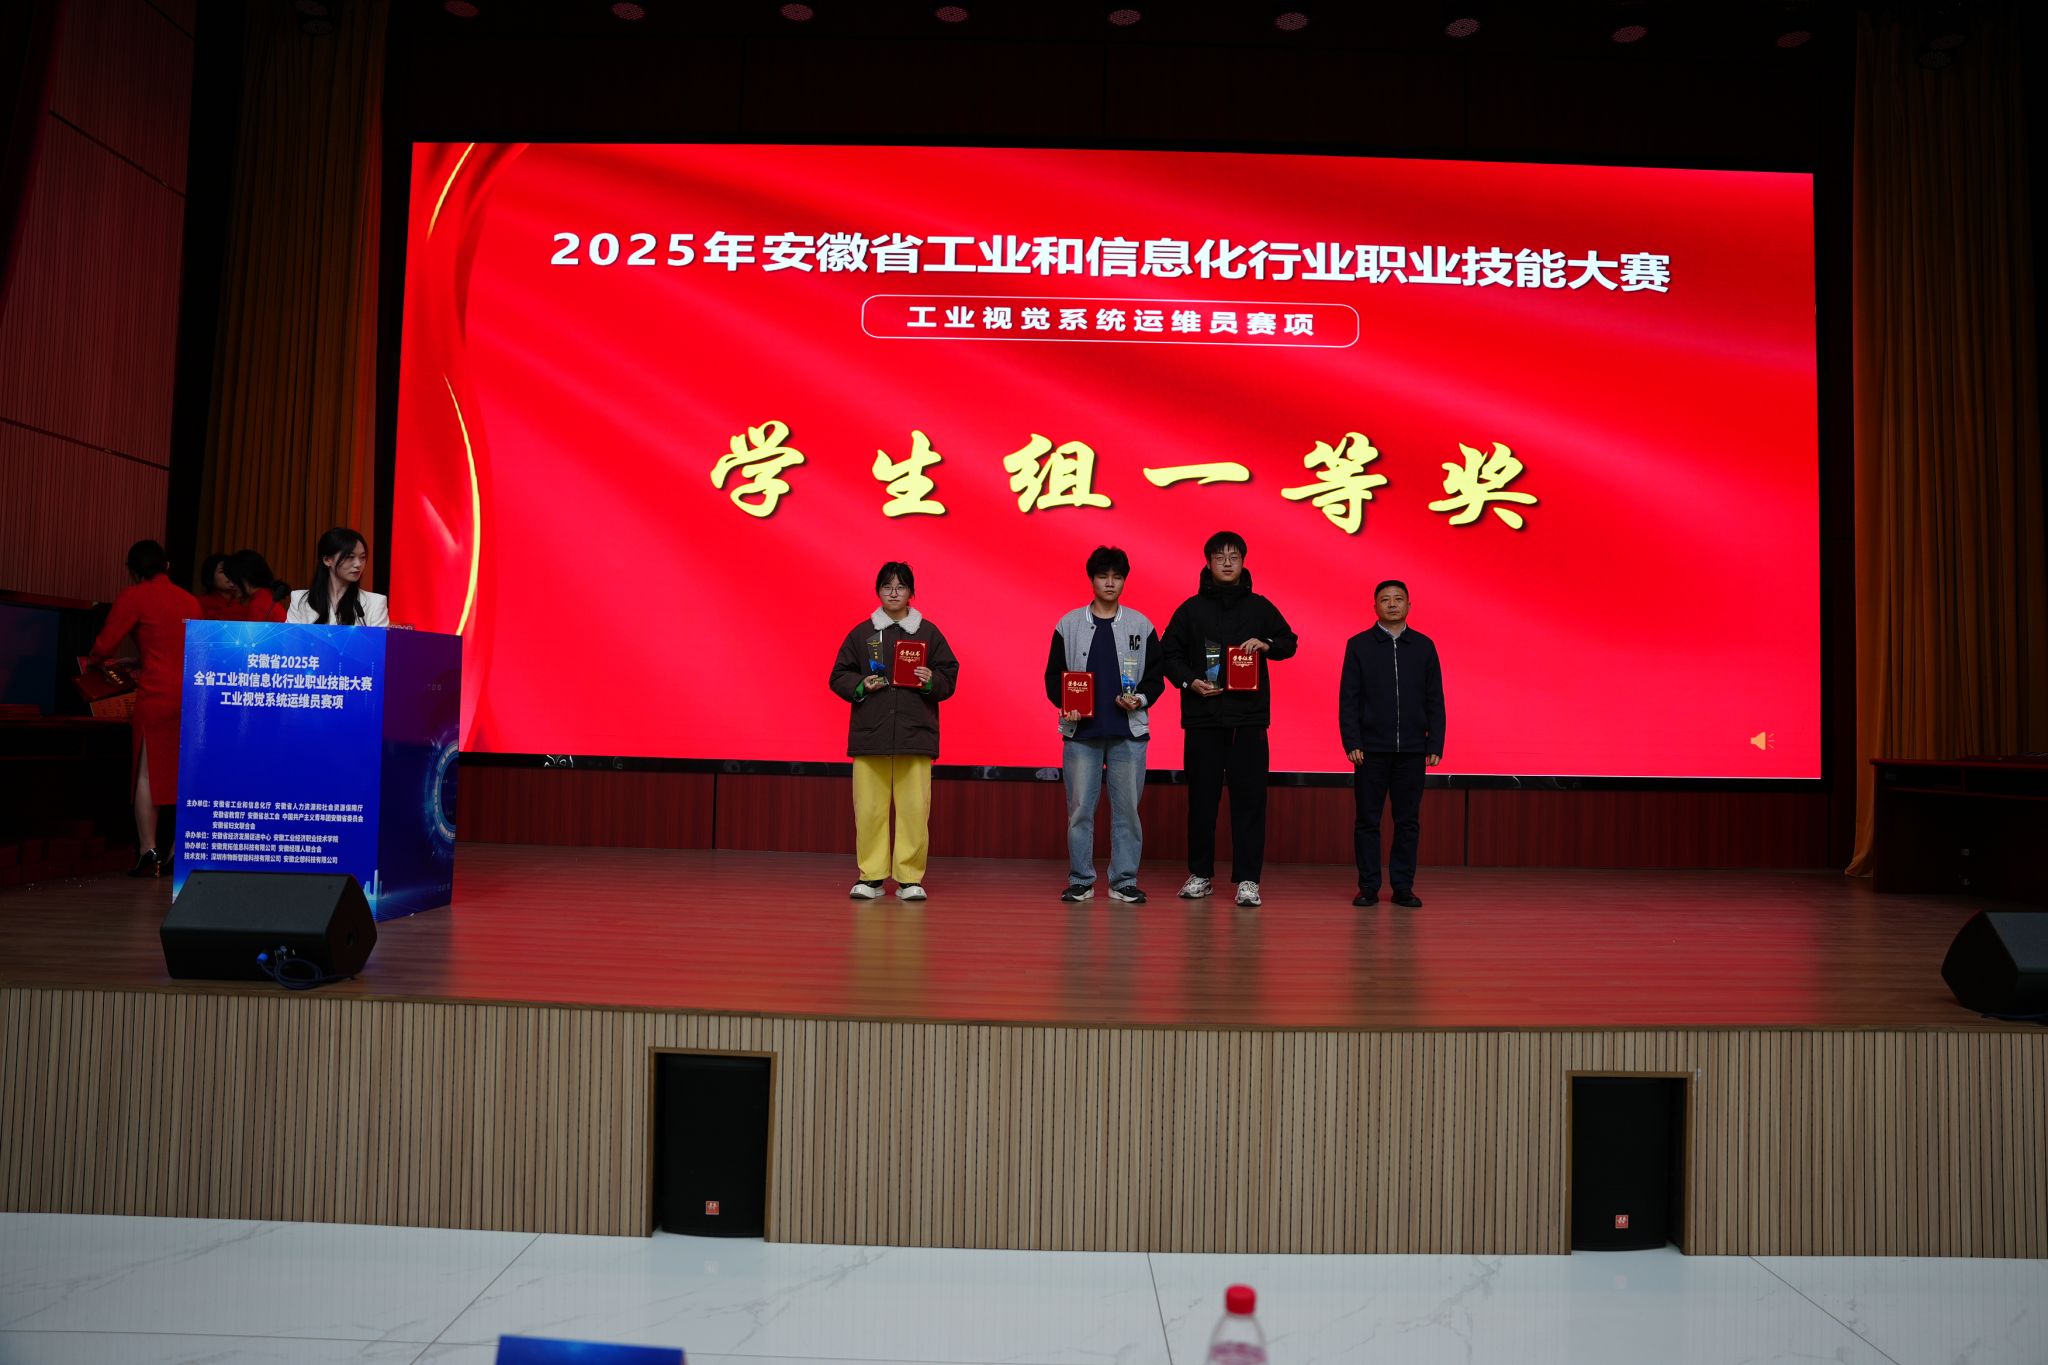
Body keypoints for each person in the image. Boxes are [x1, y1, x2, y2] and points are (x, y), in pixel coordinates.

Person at [1159, 531, 1297, 907]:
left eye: (1233, 557)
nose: (1226, 563)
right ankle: (1200, 874)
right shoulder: (1190, 610)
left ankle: (1249, 880)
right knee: (1201, 801)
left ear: (1243, 562)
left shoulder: (1259, 607)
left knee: (1250, 802)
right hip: (1203, 719)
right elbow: (1168, 654)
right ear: (1208, 563)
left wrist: (1267, 645)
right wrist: (1190, 681)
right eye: (1219, 557)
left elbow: (1289, 642)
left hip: (1248, 721)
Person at [1042, 546, 1167, 904]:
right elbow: (1053, 676)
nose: (1110, 583)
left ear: (1124, 581)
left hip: (1129, 733)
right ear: (1092, 580)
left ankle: (1124, 880)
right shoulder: (1068, 624)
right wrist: (1066, 704)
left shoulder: (1141, 625)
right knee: (1080, 810)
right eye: (1103, 576)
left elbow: (1156, 677)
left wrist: (1139, 698)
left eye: (1117, 577)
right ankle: (1081, 879)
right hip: (1081, 733)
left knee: (1127, 811)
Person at [828, 563, 960, 900]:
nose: (893, 593)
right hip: (870, 735)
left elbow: (949, 676)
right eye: (887, 586)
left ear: (911, 592)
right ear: (878, 591)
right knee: (869, 810)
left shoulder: (928, 633)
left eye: (900, 587)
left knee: (914, 810)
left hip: (915, 735)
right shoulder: (862, 633)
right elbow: (838, 675)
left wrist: (931, 680)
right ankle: (871, 877)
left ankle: (909, 879)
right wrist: (861, 684)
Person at [85, 540, 201, 877]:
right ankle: (180, 850)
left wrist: (97, 664)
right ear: (167, 567)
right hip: (192, 694)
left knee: (146, 773)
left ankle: (148, 850)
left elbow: (103, 646)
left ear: (133, 571)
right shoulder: (189, 600)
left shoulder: (135, 596)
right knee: (186, 773)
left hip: (157, 694)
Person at [1339, 579, 1446, 909]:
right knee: (1367, 821)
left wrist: (1435, 742)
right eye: (1385, 599)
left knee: (1407, 822)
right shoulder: (1359, 645)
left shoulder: (1424, 646)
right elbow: (1348, 699)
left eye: (1398, 599)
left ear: (1409, 605)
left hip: (1413, 750)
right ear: (1375, 607)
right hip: (1370, 750)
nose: (1392, 604)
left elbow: (1435, 699)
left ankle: (1402, 887)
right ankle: (1368, 886)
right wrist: (1352, 740)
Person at [287, 527, 389, 626]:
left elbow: (379, 638)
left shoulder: (375, 603)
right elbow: (290, 637)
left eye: (362, 557)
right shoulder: (300, 600)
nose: (358, 564)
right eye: (350, 557)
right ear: (327, 560)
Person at [227, 549, 290, 623]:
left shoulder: (259, 606)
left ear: (245, 577)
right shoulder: (265, 597)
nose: (230, 584)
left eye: (233, 579)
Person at [197, 554, 242, 620]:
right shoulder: (198, 604)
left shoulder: (243, 605)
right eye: (222, 571)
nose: (230, 575)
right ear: (210, 575)